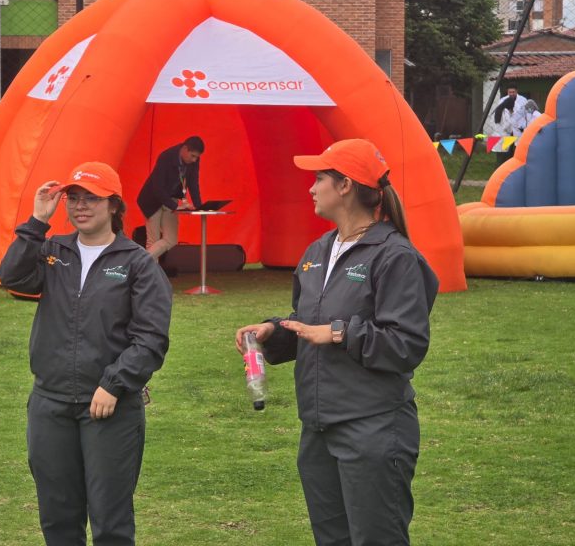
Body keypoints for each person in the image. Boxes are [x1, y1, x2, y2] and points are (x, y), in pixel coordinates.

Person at [235, 139, 438, 546]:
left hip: (373, 428)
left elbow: (406, 344)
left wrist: (341, 331)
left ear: (345, 186)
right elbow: (308, 323)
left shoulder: (395, 256)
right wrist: (274, 332)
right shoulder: (317, 251)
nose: (311, 188)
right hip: (318, 428)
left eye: (319, 178)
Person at [0, 161, 173, 546]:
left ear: (114, 206)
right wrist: (36, 223)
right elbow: (11, 276)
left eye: (92, 198)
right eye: (73, 198)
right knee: (58, 518)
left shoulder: (137, 263)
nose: (80, 206)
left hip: (109, 407)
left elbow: (151, 338)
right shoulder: (52, 251)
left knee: (110, 522)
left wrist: (114, 385)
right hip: (50, 403)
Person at [137, 136, 204, 260]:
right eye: (193, 156)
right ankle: (147, 269)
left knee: (171, 239)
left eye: (197, 157)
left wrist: (199, 206)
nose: (194, 160)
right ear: (185, 149)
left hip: (171, 198)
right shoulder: (166, 157)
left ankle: (139, 262)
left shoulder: (194, 161)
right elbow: (158, 188)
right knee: (153, 241)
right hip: (152, 199)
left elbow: (193, 183)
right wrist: (176, 207)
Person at [493, 95, 517, 165]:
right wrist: (511, 130)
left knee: (499, 159)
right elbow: (507, 125)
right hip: (505, 137)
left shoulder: (497, 110)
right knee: (505, 160)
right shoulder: (505, 111)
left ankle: (497, 171)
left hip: (496, 136)